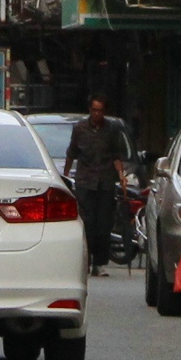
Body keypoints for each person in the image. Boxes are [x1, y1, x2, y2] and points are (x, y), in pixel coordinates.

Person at [65, 97, 134, 271]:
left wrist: (121, 175)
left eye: (100, 110)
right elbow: (71, 153)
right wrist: (65, 176)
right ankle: (86, 261)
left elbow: (116, 156)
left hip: (105, 183)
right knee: (87, 223)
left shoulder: (112, 130)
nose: (97, 114)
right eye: (94, 110)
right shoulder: (80, 129)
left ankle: (100, 262)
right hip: (85, 182)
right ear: (90, 110)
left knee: (104, 224)